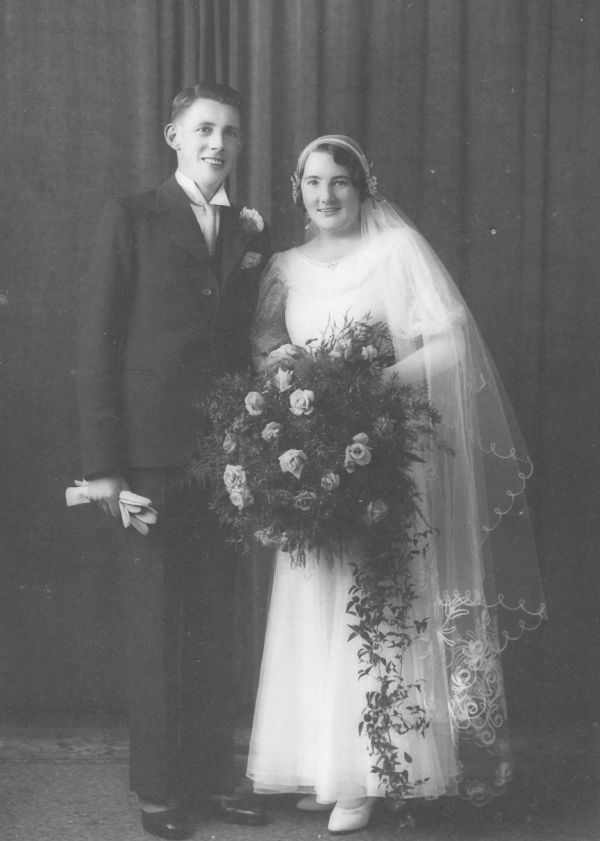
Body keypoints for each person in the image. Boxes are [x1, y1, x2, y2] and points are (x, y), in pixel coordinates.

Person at [247, 135, 546, 834]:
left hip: (378, 452)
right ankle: (326, 764)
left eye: (340, 183)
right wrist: (291, 382)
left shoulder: (396, 253)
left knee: (373, 602)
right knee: (316, 594)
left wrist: (374, 385)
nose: (326, 196)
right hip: (313, 454)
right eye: (314, 182)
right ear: (299, 189)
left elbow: (447, 339)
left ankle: (371, 773)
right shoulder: (284, 268)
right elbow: (263, 346)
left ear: (362, 188)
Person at [77, 82, 271, 840]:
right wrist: (104, 468)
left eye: (228, 132)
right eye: (202, 130)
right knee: (158, 627)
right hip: (150, 460)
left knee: (217, 621)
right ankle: (160, 792)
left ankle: (213, 778)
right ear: (172, 136)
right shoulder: (131, 217)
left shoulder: (247, 228)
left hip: (224, 460)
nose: (217, 143)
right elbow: (96, 346)